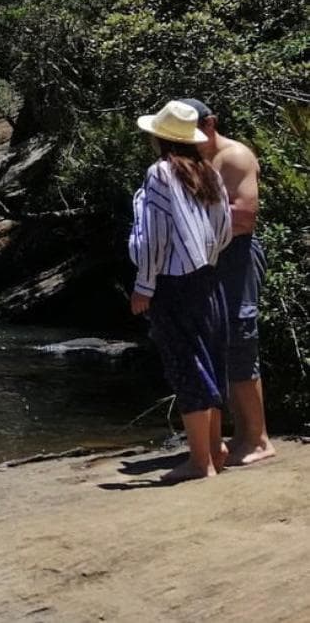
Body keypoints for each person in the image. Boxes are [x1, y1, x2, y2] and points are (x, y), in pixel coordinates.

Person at [129, 100, 234, 482]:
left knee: (186, 364)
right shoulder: (209, 172)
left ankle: (199, 462)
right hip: (207, 277)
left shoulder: (160, 174)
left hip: (173, 283)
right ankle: (215, 449)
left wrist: (144, 286)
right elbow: (224, 230)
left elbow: (152, 237)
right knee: (209, 359)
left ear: (160, 138)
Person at [183, 98, 276, 465]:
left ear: (211, 123)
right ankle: (239, 436)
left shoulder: (234, 156)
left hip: (236, 257)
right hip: (207, 260)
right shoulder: (191, 159)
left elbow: (245, 216)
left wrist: (188, 211)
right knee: (217, 344)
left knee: (241, 338)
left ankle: (258, 438)